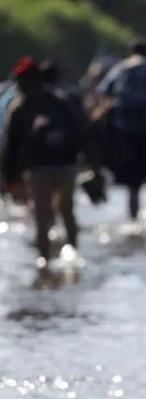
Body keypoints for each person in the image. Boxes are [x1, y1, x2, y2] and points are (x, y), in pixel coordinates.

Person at [1, 57, 82, 264]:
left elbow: (11, 144)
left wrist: (10, 178)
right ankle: (73, 255)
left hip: (39, 169)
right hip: (66, 166)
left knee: (42, 216)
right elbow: (79, 132)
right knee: (67, 212)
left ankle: (44, 263)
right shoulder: (61, 101)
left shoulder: (19, 106)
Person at [99, 42, 146, 222]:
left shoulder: (120, 69)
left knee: (133, 183)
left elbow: (103, 93)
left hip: (127, 133)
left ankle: (133, 219)